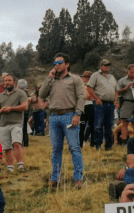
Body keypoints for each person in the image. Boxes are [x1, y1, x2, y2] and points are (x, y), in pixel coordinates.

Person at [38, 53, 86, 188]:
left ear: (67, 64)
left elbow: (82, 97)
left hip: (69, 115)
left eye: (60, 62)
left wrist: (78, 114)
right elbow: (41, 94)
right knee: (56, 149)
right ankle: (55, 178)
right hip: (54, 117)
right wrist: (49, 77)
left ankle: (78, 178)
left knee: (74, 147)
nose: (57, 65)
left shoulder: (75, 79)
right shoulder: (51, 79)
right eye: (55, 63)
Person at [0, 74, 28, 172]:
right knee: (6, 147)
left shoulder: (20, 93)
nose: (7, 82)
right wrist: (1, 110)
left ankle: (20, 165)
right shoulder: (0, 96)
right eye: (5, 81)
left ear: (14, 82)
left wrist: (11, 109)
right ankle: (10, 167)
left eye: (9, 80)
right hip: (3, 124)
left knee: (16, 143)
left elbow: (25, 106)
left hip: (16, 123)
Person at [86, 59, 117, 150]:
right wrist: (96, 99)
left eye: (108, 65)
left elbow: (116, 90)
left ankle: (108, 145)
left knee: (109, 125)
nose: (107, 66)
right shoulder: (95, 75)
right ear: (101, 66)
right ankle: (98, 145)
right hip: (100, 103)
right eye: (105, 65)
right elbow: (89, 88)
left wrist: (116, 100)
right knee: (99, 125)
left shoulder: (112, 77)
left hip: (111, 104)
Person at [79, 71, 96, 148]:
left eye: (83, 77)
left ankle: (91, 143)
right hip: (84, 105)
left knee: (91, 125)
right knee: (82, 125)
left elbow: (88, 96)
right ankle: (81, 143)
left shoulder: (91, 86)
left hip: (90, 105)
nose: (82, 78)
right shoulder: (82, 85)